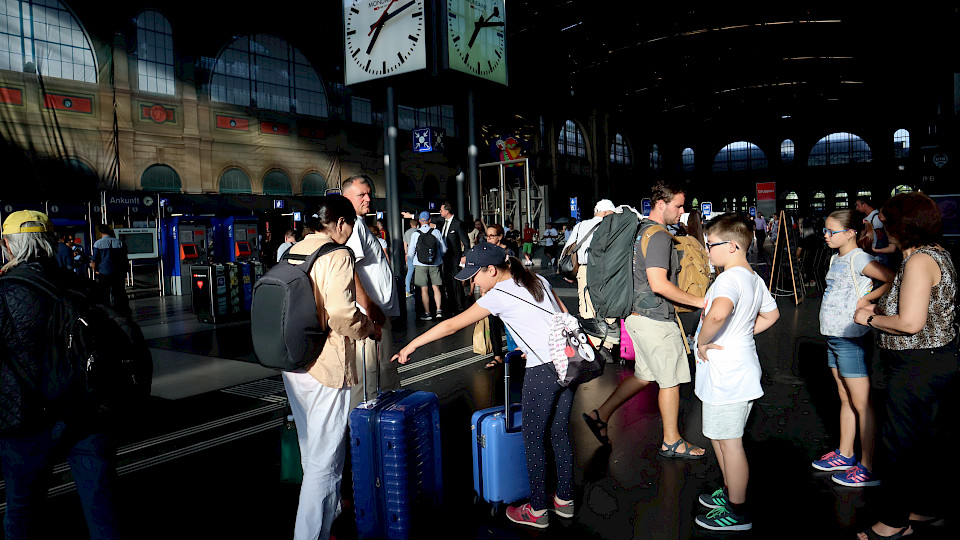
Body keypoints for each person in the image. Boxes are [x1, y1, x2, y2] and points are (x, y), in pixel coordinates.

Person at [393, 243, 576, 530]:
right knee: (559, 431)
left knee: (533, 438)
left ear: (492, 270)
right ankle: (564, 500)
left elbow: (452, 326)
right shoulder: (535, 279)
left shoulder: (500, 294)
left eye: (475, 275)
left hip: (543, 370)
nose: (472, 281)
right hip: (568, 362)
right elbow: (563, 315)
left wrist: (411, 345)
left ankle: (538, 509)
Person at [0, 210, 121, 539]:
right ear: (49, 242)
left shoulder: (5, 292)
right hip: (86, 414)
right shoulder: (80, 284)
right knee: (103, 513)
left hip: (23, 421)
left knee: (22, 512)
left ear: (9, 246)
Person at [853, 192, 958, 540]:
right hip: (934, 361)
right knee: (922, 442)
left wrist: (869, 319)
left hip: (917, 366)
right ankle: (925, 509)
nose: (881, 226)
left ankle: (894, 523)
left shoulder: (918, 261)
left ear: (903, 224)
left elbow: (911, 323)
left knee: (899, 444)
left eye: (886, 220)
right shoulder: (933, 254)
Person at [582, 181, 705, 458]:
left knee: (644, 375)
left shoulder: (639, 231)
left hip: (636, 315)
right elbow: (659, 284)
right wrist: (699, 301)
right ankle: (671, 441)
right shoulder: (659, 236)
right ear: (661, 205)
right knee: (670, 380)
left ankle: (599, 414)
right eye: (678, 205)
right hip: (655, 318)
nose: (682, 211)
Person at [281, 196, 380, 540]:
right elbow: (340, 313)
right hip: (327, 364)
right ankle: (309, 534)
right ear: (339, 223)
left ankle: (331, 508)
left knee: (312, 447)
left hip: (293, 363)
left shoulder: (291, 252)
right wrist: (366, 328)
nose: (350, 234)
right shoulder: (337, 254)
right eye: (350, 226)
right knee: (326, 462)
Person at [693, 214, 780, 531]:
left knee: (730, 443)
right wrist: (742, 333)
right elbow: (771, 315)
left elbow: (717, 313)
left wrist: (704, 341)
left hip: (727, 375)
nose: (708, 251)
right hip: (732, 372)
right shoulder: (752, 277)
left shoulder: (728, 280)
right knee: (720, 436)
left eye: (710, 244)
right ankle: (731, 492)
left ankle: (738, 511)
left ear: (731, 246)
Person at [811, 210, 894, 489]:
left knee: (862, 404)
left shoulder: (859, 257)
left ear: (850, 233)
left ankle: (869, 466)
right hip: (835, 338)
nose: (826, 235)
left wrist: (866, 300)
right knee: (846, 399)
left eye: (831, 231)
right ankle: (846, 454)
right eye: (825, 230)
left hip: (851, 338)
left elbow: (892, 278)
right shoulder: (838, 258)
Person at [342, 175, 401, 407]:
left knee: (379, 371)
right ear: (347, 197)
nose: (368, 199)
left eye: (369, 194)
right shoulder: (355, 226)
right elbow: (350, 269)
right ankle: (368, 430)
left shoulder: (359, 224)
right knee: (369, 375)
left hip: (375, 311)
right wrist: (369, 307)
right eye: (361, 195)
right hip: (370, 314)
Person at [566, 200, 618, 353]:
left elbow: (568, 248)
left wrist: (571, 272)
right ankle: (607, 344)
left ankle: (593, 345)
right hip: (607, 269)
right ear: (606, 212)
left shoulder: (581, 225)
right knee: (609, 305)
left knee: (587, 306)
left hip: (585, 269)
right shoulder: (613, 226)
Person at [478, 224, 512, 369]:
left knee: (510, 326)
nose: (489, 238)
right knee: (493, 325)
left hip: (507, 294)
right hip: (491, 293)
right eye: (487, 235)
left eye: (492, 235)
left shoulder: (508, 252)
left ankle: (515, 353)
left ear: (500, 236)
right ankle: (497, 356)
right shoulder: (485, 252)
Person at [408, 211, 446, 320]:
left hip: (420, 265)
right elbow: (443, 249)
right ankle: (439, 311)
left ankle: (427, 313)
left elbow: (411, 253)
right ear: (429, 220)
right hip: (435, 264)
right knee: (436, 288)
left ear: (419, 221)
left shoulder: (415, 234)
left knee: (423, 289)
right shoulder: (436, 232)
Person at [91, 224, 130, 318]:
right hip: (117, 272)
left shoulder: (98, 243)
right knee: (118, 292)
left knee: (104, 292)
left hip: (104, 271)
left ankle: (107, 311)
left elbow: (94, 259)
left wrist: (95, 269)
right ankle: (120, 311)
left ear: (100, 233)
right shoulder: (119, 242)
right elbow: (124, 258)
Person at [438, 202, 470, 315]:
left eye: (441, 210)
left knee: (456, 280)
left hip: (455, 257)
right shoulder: (442, 223)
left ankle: (459, 305)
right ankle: (451, 304)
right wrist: (411, 216)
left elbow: (466, 242)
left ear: (447, 211)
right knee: (447, 281)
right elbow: (430, 219)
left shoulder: (458, 224)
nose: (440, 212)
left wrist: (464, 255)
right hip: (445, 257)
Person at [402, 218, 419, 297]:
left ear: (410, 224)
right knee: (419, 272)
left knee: (409, 272)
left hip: (409, 254)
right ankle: (418, 289)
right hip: (418, 253)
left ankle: (407, 290)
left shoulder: (407, 232)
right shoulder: (419, 231)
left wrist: (406, 253)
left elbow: (405, 244)